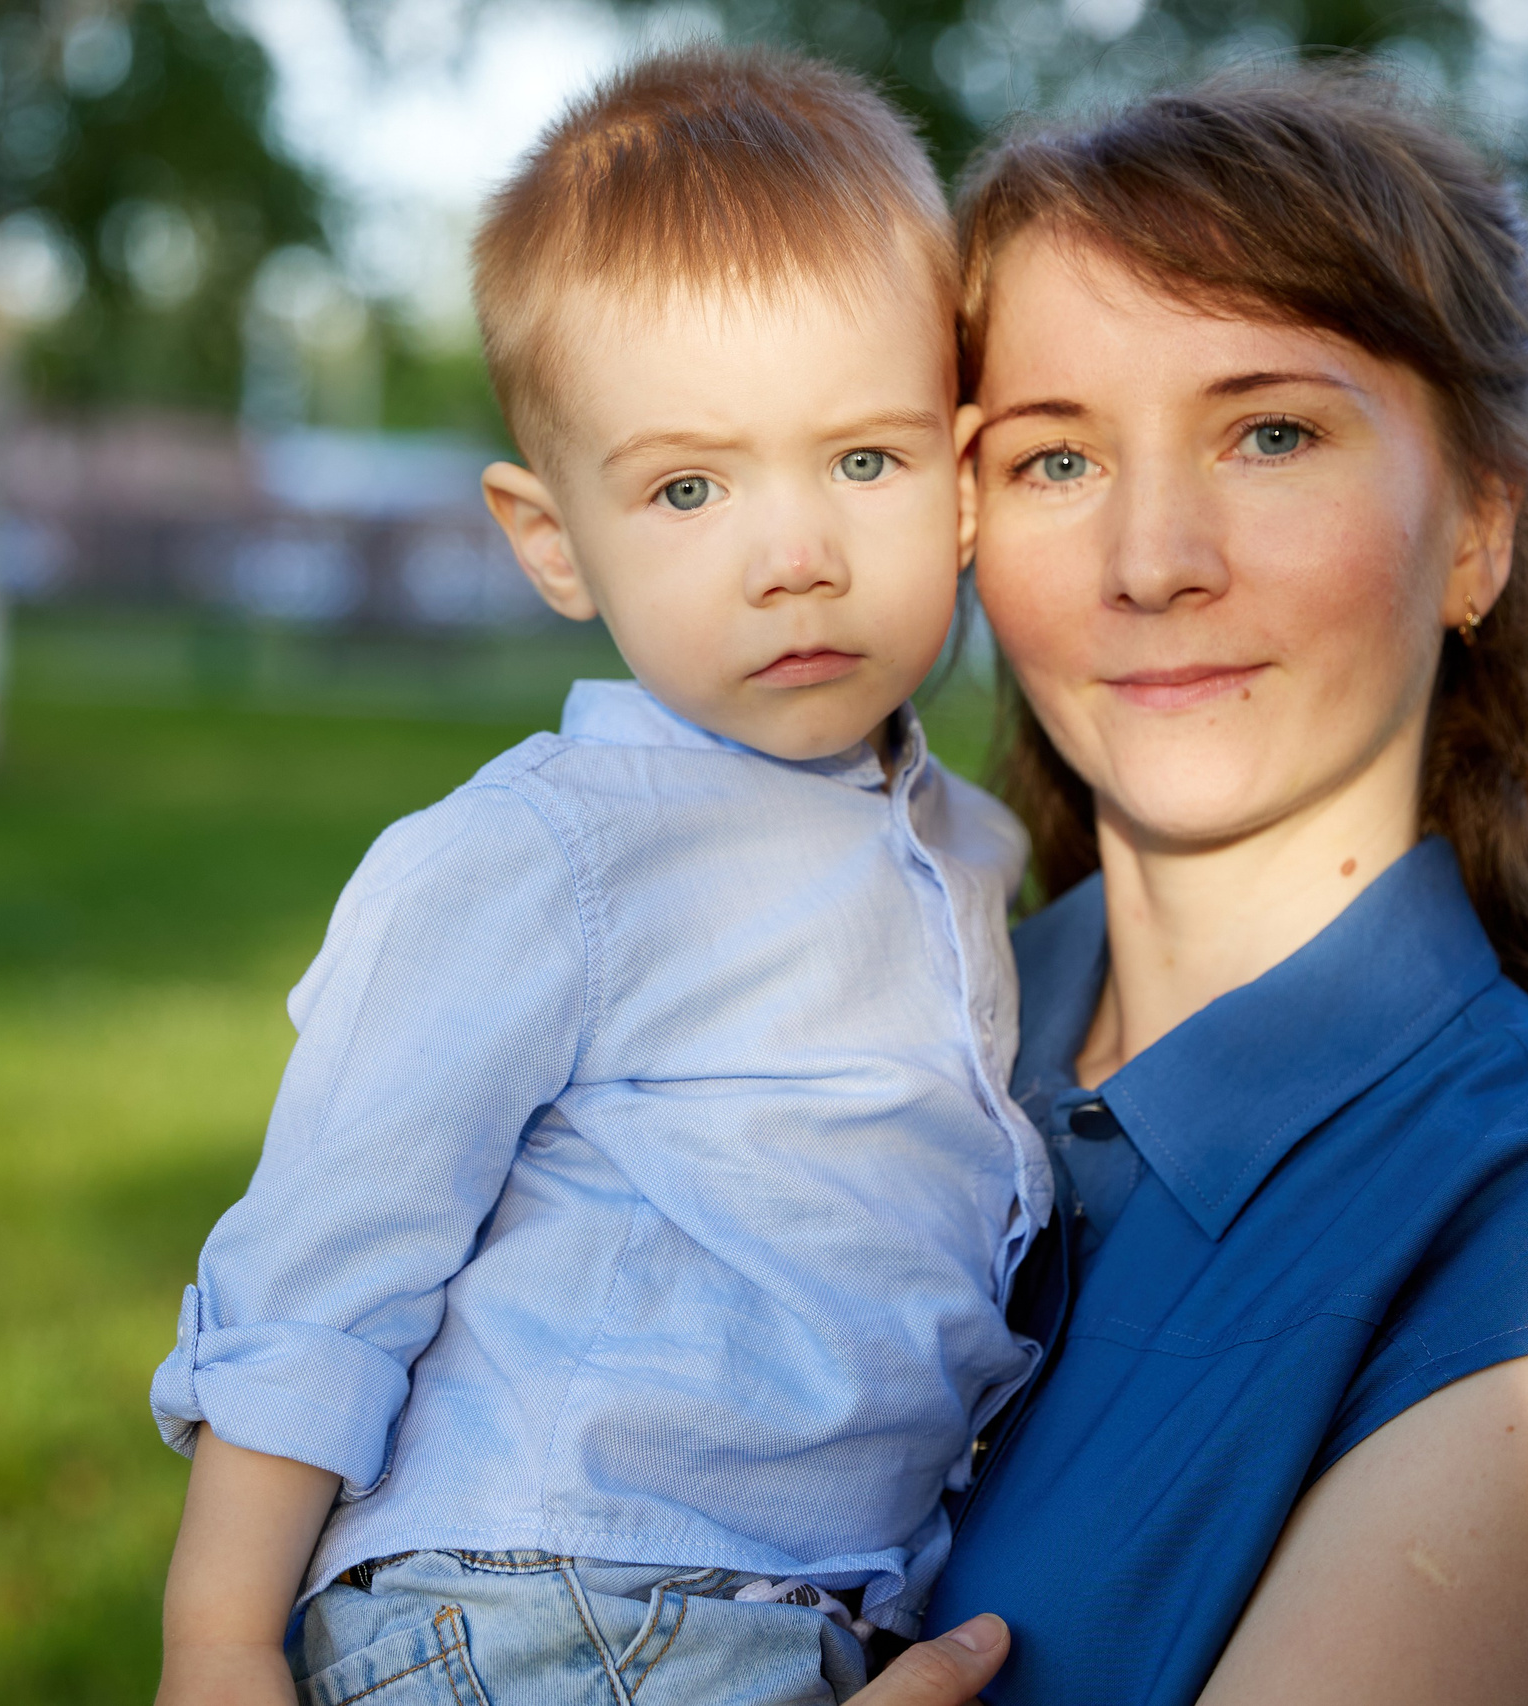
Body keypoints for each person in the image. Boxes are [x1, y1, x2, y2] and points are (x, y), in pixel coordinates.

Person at [883, 70, 1528, 1706]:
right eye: (1053, 459)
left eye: (1272, 432)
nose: (1152, 559)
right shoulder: (864, 1023)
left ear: (1477, 532)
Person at [146, 50, 1054, 1706]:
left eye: (864, 460)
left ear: (967, 473)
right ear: (553, 537)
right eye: (689, 487)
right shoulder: (552, 852)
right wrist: (217, 1642)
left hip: (786, 1609)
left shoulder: (970, 849)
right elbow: (331, 1250)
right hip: (563, 1597)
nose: (797, 552)